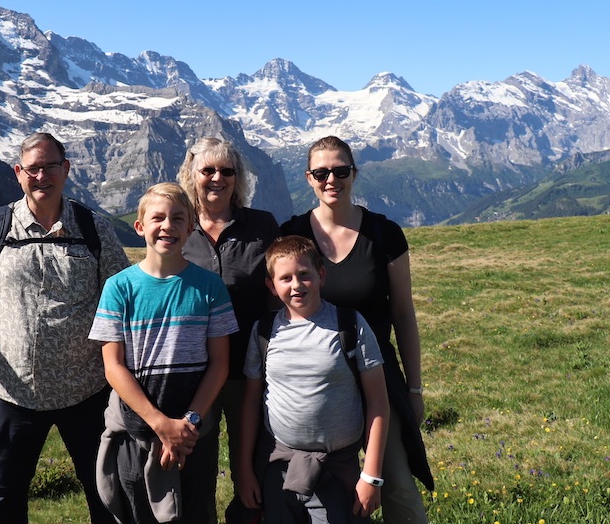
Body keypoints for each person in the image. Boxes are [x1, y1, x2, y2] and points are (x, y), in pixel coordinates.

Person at [0, 132, 130, 523]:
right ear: (18, 173)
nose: (42, 176)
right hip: (11, 392)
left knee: (108, 496)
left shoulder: (94, 229)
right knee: (2, 500)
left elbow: (123, 301)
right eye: (33, 169)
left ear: (66, 169)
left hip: (87, 391)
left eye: (50, 167)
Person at [279, 136, 433, 524]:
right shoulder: (292, 235)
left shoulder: (384, 234)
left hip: (378, 375)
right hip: (315, 379)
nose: (331, 179)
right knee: (323, 488)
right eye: (321, 173)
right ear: (308, 178)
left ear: (354, 173)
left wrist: (414, 389)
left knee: (397, 483)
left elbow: (403, 314)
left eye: (340, 170)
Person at [90, 182, 238, 524]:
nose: (167, 226)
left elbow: (220, 364)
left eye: (177, 218)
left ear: (190, 228)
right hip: (136, 433)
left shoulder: (210, 287)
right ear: (140, 226)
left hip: (194, 436)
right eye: (157, 218)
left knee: (197, 513)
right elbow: (113, 366)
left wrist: (188, 423)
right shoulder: (119, 288)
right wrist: (160, 424)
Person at [237, 235, 390, 523]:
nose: (296, 285)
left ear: (321, 275)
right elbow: (251, 404)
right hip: (279, 466)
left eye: (304, 274)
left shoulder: (349, 324)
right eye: (285, 278)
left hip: (337, 467)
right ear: (271, 285)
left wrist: (371, 475)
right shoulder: (263, 332)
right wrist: (244, 470)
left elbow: (378, 401)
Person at [177, 137, 280, 523]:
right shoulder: (179, 225)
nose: (217, 178)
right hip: (193, 373)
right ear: (192, 175)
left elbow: (278, 293)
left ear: (238, 178)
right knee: (194, 471)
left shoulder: (262, 226)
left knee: (252, 469)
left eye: (227, 171)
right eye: (208, 170)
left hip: (251, 371)